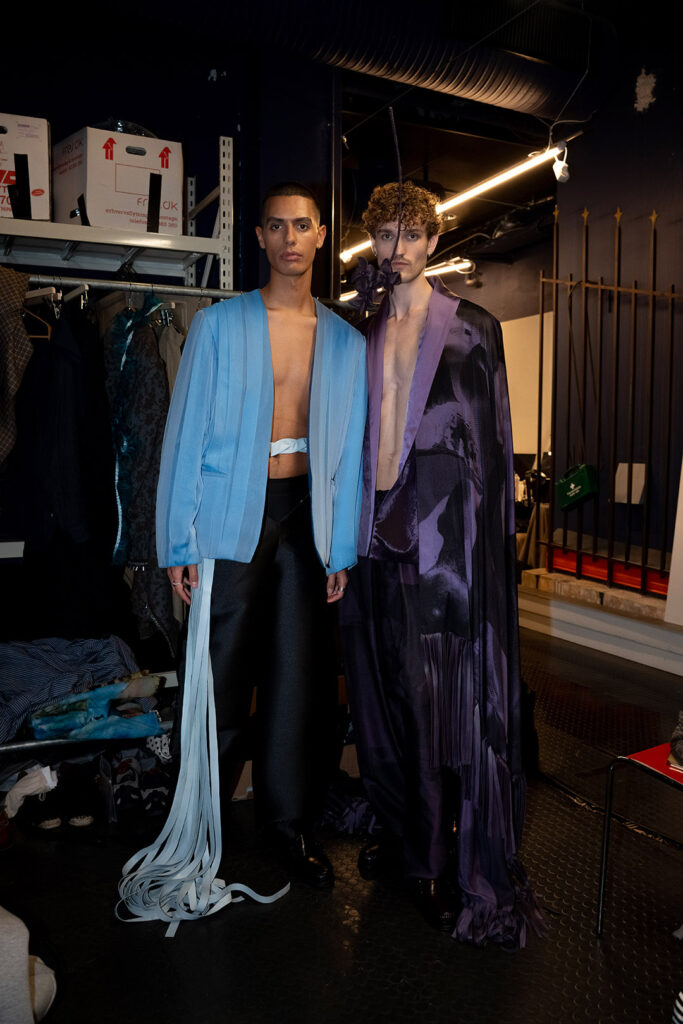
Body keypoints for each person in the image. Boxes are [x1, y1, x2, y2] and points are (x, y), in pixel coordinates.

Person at [340, 181, 542, 947]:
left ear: (432, 241)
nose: (396, 249)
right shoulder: (357, 330)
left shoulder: (471, 330)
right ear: (372, 241)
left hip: (443, 550)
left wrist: (491, 559)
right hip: (368, 540)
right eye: (385, 234)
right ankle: (401, 829)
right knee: (381, 697)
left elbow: (492, 446)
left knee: (434, 707)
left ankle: (431, 859)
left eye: (411, 235)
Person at [156, 182, 367, 890]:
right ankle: (197, 830)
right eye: (276, 226)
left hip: (306, 520)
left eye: (301, 225)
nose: (289, 238)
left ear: (320, 235)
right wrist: (178, 542)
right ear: (259, 237)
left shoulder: (346, 341)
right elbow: (184, 434)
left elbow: (348, 454)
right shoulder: (219, 326)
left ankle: (288, 825)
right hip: (230, 518)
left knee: (297, 682)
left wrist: (341, 547)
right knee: (216, 679)